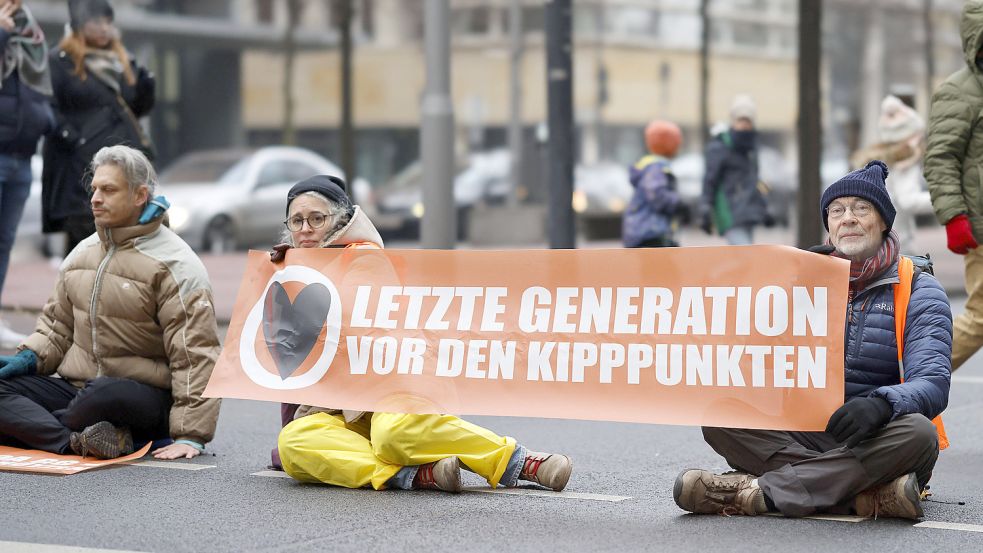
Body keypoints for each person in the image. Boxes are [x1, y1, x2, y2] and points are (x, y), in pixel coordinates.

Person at [674, 160, 951, 519]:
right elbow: (748, 361)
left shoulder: (920, 289)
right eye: (837, 211)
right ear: (829, 226)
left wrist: (882, 404)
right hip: (812, 431)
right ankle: (864, 495)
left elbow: (933, 382)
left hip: (879, 437)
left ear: (884, 222)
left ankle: (761, 493)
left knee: (919, 433)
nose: (847, 218)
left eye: (861, 209)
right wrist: (789, 290)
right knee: (720, 414)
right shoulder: (807, 282)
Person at [273, 175, 574, 493]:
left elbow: (339, 319)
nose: (305, 229)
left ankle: (517, 461)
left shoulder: (364, 258)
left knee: (393, 434)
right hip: (344, 406)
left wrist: (293, 285)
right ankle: (415, 475)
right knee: (293, 442)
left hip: (396, 386)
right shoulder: (293, 271)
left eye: (316, 218)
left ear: (340, 221)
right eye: (297, 220)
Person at [0, 145, 221, 460]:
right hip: (77, 389)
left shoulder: (177, 264)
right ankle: (74, 441)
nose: (95, 198)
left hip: (141, 398)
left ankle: (30, 427)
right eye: (94, 189)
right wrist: (26, 359)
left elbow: (196, 355)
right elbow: (56, 328)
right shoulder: (81, 254)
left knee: (103, 394)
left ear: (139, 195)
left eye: (108, 189)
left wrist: (191, 435)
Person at [42, 0, 155, 257]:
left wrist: (146, 83)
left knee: (127, 241)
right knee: (85, 247)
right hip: (80, 170)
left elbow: (137, 108)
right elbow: (48, 106)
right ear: (80, 25)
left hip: (121, 164)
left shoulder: (122, 60)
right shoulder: (60, 60)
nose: (104, 28)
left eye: (107, 22)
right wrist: (73, 138)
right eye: (96, 22)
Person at [925, 0, 983, 371]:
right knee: (980, 318)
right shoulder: (959, 91)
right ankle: (911, 383)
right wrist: (954, 216)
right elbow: (940, 158)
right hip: (980, 224)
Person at [0, 0, 53, 348]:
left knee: (4, 242)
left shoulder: (30, 33)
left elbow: (42, 87)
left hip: (21, 154)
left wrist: (47, 120)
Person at [851, 95, 930, 252]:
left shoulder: (878, 159)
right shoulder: (904, 161)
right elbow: (909, 201)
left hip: (873, 239)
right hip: (896, 244)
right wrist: (945, 199)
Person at [700, 94, 771, 245]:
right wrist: (705, 207)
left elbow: (756, 181)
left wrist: (764, 207)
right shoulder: (720, 147)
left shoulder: (752, 150)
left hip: (749, 214)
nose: (744, 125)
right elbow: (710, 179)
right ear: (733, 121)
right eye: (741, 120)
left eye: (748, 120)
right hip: (729, 214)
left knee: (742, 261)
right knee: (746, 257)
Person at [622, 120, 687, 248]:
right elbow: (656, 194)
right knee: (663, 266)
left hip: (643, 231)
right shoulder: (656, 167)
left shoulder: (651, 166)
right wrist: (678, 204)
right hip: (650, 231)